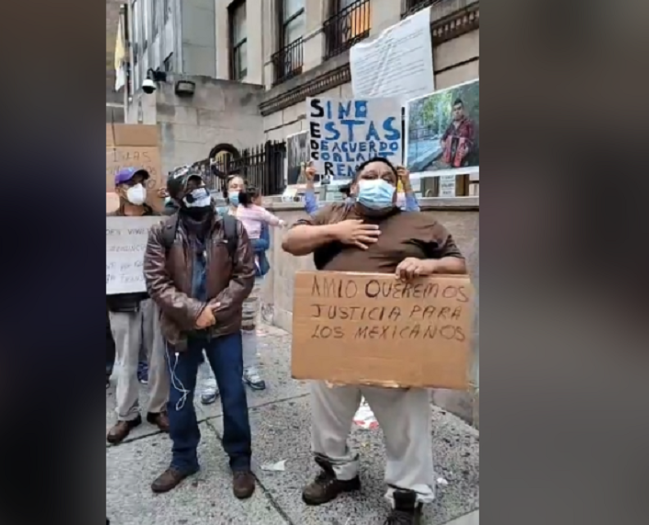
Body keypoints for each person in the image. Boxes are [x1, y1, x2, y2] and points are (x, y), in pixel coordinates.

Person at [281, 156, 467, 525]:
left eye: (386, 177)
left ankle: (407, 496)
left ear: (397, 188)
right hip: (333, 340)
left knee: (406, 425)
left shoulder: (420, 223)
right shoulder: (334, 214)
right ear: (354, 185)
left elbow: (458, 263)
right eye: (369, 176)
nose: (378, 181)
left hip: (397, 345)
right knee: (328, 416)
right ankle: (339, 472)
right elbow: (291, 240)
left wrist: (428, 266)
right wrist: (337, 233)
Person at [143, 168, 256, 499]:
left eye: (203, 185)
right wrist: (194, 312)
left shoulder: (231, 227)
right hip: (181, 329)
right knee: (179, 398)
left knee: (233, 394)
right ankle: (183, 458)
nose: (200, 191)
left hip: (224, 329)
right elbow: (157, 283)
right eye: (191, 188)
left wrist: (214, 311)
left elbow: (245, 275)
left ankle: (240, 461)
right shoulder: (161, 232)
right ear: (177, 198)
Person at [106, 167, 170, 444]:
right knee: (126, 359)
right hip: (120, 300)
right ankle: (127, 414)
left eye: (141, 182)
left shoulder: (158, 220)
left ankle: (158, 408)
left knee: (159, 356)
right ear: (119, 189)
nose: (138, 187)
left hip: (155, 298)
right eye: (131, 183)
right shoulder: (107, 224)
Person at [199, 174, 268, 403]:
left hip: (251, 279)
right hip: (220, 282)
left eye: (241, 186)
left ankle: (250, 369)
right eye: (233, 187)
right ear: (226, 191)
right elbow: (209, 244)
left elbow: (265, 243)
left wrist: (235, 241)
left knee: (248, 327)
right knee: (213, 327)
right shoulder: (216, 216)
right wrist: (243, 241)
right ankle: (211, 381)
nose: (237, 190)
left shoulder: (257, 213)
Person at [302, 164, 421, 216]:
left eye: (386, 179)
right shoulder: (341, 215)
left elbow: (415, 217)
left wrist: (407, 184)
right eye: (369, 177)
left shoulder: (398, 218)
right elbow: (314, 212)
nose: (378, 184)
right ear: (353, 189)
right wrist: (309, 182)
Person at [236, 186, 286, 279]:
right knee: (264, 243)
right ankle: (261, 269)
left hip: (242, 239)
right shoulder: (258, 210)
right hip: (253, 240)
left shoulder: (240, 208)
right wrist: (280, 222)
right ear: (253, 199)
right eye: (260, 196)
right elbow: (270, 218)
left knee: (259, 254)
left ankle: (261, 267)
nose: (262, 198)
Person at [440, 98, 476, 168]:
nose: (457, 111)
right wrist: (442, 143)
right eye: (455, 110)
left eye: (459, 109)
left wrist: (467, 149)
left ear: (463, 110)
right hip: (451, 161)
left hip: (465, 161)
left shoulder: (469, 123)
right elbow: (443, 138)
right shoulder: (451, 125)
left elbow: (473, 141)